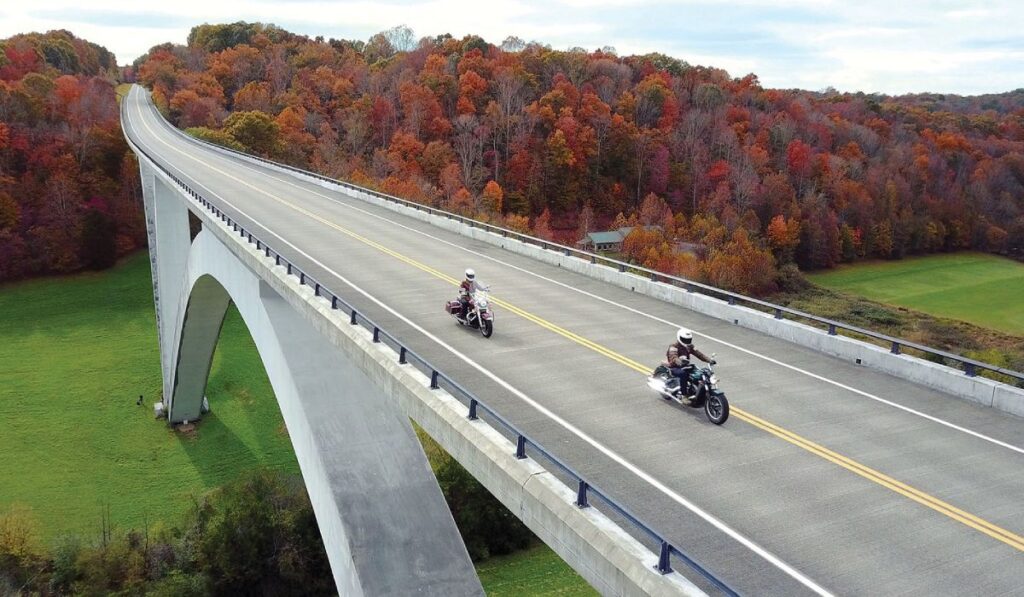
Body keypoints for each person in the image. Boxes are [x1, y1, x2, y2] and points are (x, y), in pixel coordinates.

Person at [665, 327, 715, 398]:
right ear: (679, 337)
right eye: (684, 339)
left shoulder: (689, 346)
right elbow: (673, 356)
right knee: (683, 374)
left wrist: (709, 360)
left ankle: (697, 390)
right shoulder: (674, 346)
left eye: (688, 339)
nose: (686, 341)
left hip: (685, 365)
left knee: (700, 373)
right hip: (674, 367)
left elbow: (699, 354)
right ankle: (684, 395)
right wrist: (679, 361)